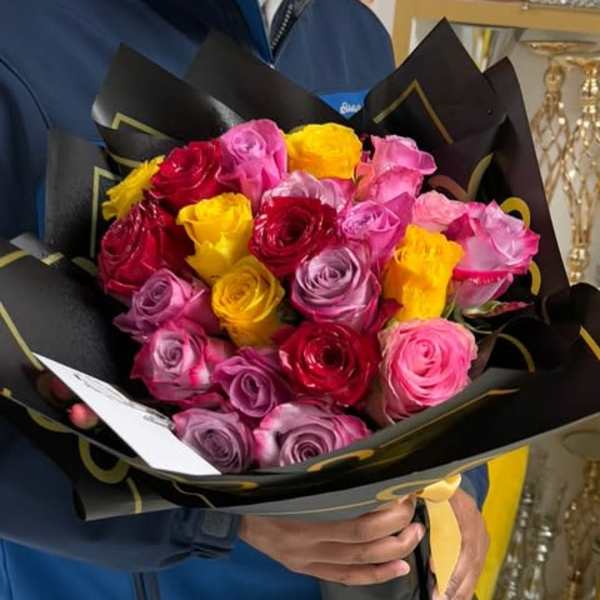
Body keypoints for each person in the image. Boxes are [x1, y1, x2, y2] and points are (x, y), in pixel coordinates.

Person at [0, 1, 490, 599]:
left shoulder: (352, 32)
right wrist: (220, 521)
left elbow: (429, 290)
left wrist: (457, 483)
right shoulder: (20, 40)